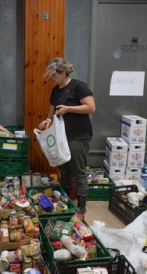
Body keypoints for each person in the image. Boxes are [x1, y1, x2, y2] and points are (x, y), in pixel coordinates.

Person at [38, 58, 96, 214]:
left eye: (54, 76)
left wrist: (68, 109)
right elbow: (52, 112)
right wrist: (47, 121)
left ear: (63, 72)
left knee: (78, 170)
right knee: (64, 169)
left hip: (78, 135)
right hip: (61, 137)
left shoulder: (79, 86)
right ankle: (65, 199)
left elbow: (91, 107)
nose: (52, 79)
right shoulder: (56, 90)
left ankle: (82, 205)